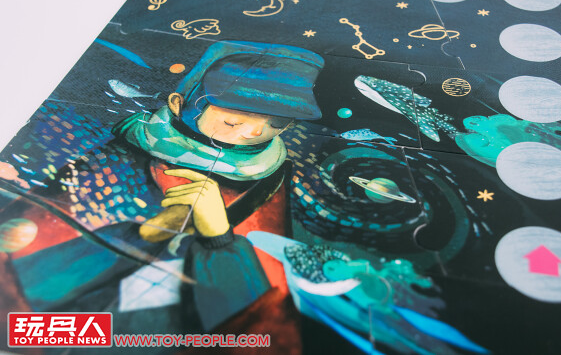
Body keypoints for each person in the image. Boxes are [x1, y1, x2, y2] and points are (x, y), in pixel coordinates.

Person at [2, 40, 325, 335]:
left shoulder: (268, 178)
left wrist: (217, 236)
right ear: (178, 103)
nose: (253, 133)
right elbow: (40, 252)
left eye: (277, 123)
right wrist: (142, 234)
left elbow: (258, 320)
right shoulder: (122, 147)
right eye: (232, 121)